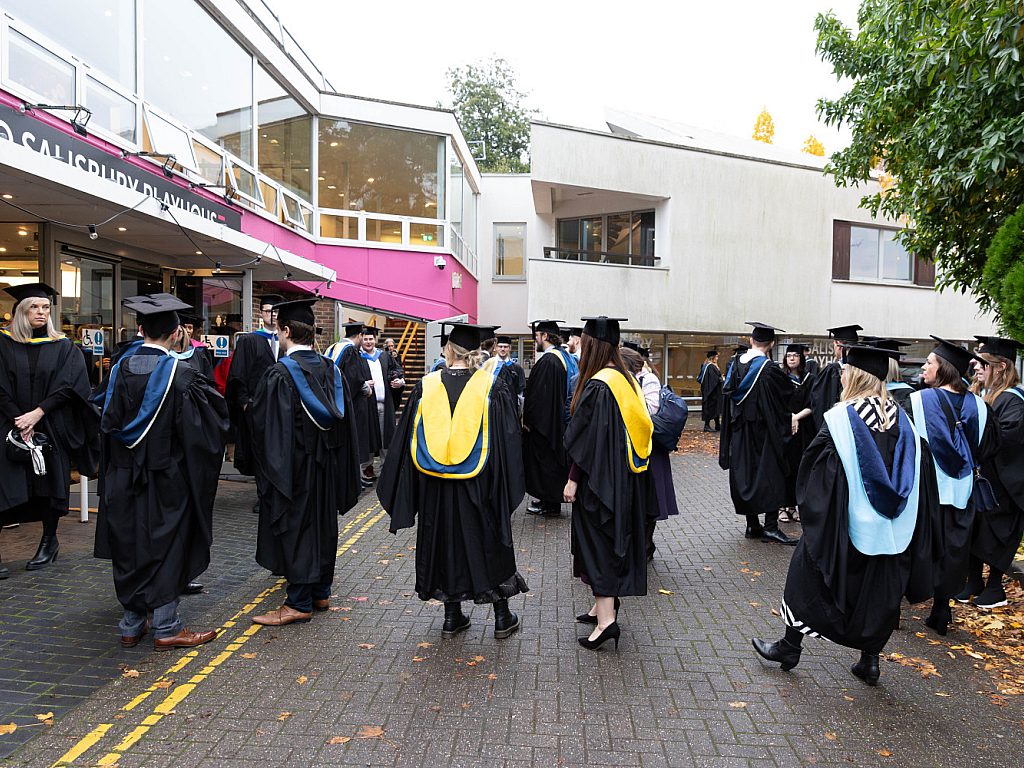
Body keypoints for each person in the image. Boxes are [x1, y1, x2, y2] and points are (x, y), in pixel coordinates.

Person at [751, 344, 938, 685]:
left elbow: (818, 474)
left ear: (855, 376)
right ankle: (869, 661)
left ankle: (790, 647)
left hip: (846, 524)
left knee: (806, 573)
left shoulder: (841, 419)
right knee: (878, 591)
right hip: (892, 529)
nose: (841, 376)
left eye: (845, 371)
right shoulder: (907, 423)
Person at [95, 294, 228, 650]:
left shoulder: (118, 369)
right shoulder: (183, 376)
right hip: (166, 478)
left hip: (123, 476)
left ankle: (131, 623)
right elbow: (205, 437)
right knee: (167, 546)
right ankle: (167, 626)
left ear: (140, 330)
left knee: (130, 546)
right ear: (175, 334)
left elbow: (107, 427)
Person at [379, 323, 527, 639]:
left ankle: (452, 617)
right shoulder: (493, 387)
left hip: (435, 489)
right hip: (478, 488)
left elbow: (405, 442)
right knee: (486, 544)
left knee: (443, 543)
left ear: (447, 349)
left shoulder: (426, 385)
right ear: (478, 352)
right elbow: (508, 445)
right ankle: (502, 617)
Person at [249, 299, 361, 626]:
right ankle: (320, 591)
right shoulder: (332, 370)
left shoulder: (281, 374)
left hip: (294, 472)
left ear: (285, 331)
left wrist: (272, 475)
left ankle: (298, 602)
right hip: (326, 469)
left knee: (298, 530)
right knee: (323, 528)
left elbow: (268, 431)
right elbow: (345, 427)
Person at [564, 316, 656, 650]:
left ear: (591, 345)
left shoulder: (599, 386)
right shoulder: (625, 379)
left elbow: (585, 441)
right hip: (626, 480)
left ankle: (606, 622)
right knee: (610, 541)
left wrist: (573, 479)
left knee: (597, 544)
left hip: (599, 483)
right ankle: (602, 606)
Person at [0, 283, 99, 577]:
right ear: (21, 311)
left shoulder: (63, 346)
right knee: (5, 482)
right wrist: (19, 418)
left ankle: (49, 541)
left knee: (48, 483)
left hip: (49, 424)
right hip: (9, 423)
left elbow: (70, 385)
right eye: (34, 307)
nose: (41, 312)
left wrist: (37, 413)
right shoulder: (2, 343)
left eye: (45, 307)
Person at [906, 336, 999, 636]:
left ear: (943, 369)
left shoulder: (918, 402)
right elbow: (987, 447)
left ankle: (894, 608)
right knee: (953, 550)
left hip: (926, 490)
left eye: (929, 363)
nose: (924, 366)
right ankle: (941, 609)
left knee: (916, 545)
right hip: (962, 490)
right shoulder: (980, 407)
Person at [958, 336, 1024, 609]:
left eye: (983, 364)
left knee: (997, 533)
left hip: (1006, 483)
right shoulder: (987, 396)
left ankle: (996, 588)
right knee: (975, 530)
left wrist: (978, 433)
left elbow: (1010, 436)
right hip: (985, 478)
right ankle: (974, 581)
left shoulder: (1014, 400)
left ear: (1000, 367)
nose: (976, 368)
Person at [718, 322, 799, 545]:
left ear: (751, 340)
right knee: (772, 475)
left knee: (746, 477)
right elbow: (785, 399)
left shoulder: (733, 364)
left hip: (740, 433)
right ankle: (771, 527)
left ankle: (752, 525)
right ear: (771, 344)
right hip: (765, 434)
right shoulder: (770, 369)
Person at [621, 346, 678, 560]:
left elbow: (649, 411)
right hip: (633, 447)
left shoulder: (649, 380)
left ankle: (646, 545)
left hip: (651, 450)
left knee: (651, 499)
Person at [522, 319, 578, 516]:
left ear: (545, 336)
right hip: (558, 421)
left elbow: (539, 396)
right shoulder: (564, 357)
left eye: (537, 336)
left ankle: (550, 503)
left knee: (546, 463)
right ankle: (550, 500)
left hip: (547, 424)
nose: (536, 339)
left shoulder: (549, 360)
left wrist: (529, 421)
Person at [226, 294, 282, 481]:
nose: (272, 315)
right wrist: (244, 403)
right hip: (255, 406)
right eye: (268, 311)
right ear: (261, 313)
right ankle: (262, 492)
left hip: (282, 406)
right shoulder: (249, 340)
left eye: (276, 311)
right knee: (258, 450)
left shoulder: (287, 341)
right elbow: (238, 374)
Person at [326, 322, 374, 489]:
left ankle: (354, 478)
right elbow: (353, 380)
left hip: (337, 404)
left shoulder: (334, 347)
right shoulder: (350, 351)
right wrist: (365, 388)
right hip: (351, 405)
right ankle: (352, 480)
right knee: (352, 443)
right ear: (360, 335)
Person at [360, 326, 404, 483]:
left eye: (371, 339)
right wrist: (363, 384)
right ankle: (367, 468)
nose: (368, 342)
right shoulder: (358, 358)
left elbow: (397, 370)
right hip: (367, 407)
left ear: (375, 340)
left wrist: (400, 381)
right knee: (368, 436)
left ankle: (387, 468)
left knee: (387, 436)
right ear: (361, 339)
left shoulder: (384, 356)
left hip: (385, 405)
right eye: (365, 339)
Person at [780, 343, 814, 522]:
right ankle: (783, 506)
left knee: (801, 467)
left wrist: (796, 417)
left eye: (795, 355)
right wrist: (789, 417)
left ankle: (798, 505)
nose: (791, 358)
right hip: (784, 430)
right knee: (785, 467)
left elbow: (813, 404)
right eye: (788, 355)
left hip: (804, 430)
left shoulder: (810, 379)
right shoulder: (780, 378)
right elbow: (775, 404)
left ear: (801, 358)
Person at [809, 324, 862, 430]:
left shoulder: (831, 370)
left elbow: (819, 401)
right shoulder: (863, 370)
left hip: (835, 428)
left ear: (838, 345)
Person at [492, 335, 526, 411]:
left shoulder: (517, 368)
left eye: (505, 347)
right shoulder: (490, 366)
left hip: (511, 406)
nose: (502, 349)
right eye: (500, 346)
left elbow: (520, 390)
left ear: (510, 348)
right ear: (496, 348)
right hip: (493, 406)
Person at [697, 350, 723, 432]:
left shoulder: (707, 366)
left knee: (715, 409)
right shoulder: (710, 367)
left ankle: (717, 425)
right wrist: (721, 379)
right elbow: (714, 379)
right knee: (711, 408)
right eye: (716, 357)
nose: (717, 358)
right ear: (713, 357)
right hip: (711, 392)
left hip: (712, 391)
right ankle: (706, 426)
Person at [383, 337, 406, 412]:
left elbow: (399, 367)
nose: (390, 348)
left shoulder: (397, 355)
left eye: (392, 346)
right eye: (389, 346)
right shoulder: (383, 355)